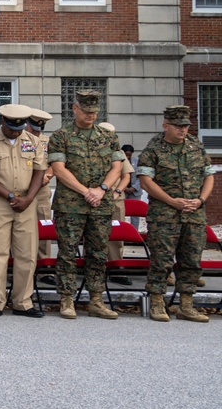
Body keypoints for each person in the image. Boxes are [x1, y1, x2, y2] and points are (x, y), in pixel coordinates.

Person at [47, 90, 124, 320]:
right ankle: (67, 299)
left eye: (94, 112)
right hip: (70, 205)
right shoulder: (61, 136)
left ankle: (96, 300)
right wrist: (85, 191)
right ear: (75, 108)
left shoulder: (108, 136)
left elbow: (117, 167)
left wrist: (101, 190)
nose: (90, 115)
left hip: (100, 204)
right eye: (86, 111)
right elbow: (59, 169)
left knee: (98, 253)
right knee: (68, 252)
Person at [138, 105, 214, 323]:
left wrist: (201, 200)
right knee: (161, 261)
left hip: (194, 214)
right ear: (166, 125)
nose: (183, 130)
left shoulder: (196, 146)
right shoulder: (154, 148)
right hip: (165, 215)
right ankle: (157, 303)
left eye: (186, 126)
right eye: (178, 126)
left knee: (191, 260)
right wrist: (171, 201)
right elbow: (146, 181)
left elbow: (209, 176)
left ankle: (186, 305)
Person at [0, 104, 47, 318]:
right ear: (2, 122)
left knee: (27, 253)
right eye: (12, 128)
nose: (17, 132)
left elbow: (39, 171)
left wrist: (29, 198)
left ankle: (23, 302)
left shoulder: (33, 141)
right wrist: (9, 196)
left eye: (20, 128)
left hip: (26, 200)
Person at [97, 122, 136, 279]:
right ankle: (94, 268)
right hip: (96, 198)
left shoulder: (118, 152)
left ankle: (115, 267)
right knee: (94, 234)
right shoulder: (89, 150)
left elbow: (126, 175)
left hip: (114, 199)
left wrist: (118, 191)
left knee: (116, 235)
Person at [26, 108, 56, 282]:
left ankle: (44, 268)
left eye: (39, 129)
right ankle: (16, 266)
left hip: (42, 189)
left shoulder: (48, 141)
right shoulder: (19, 139)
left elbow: (56, 162)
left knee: (43, 225)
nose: (36, 132)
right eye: (33, 128)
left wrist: (49, 174)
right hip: (22, 187)